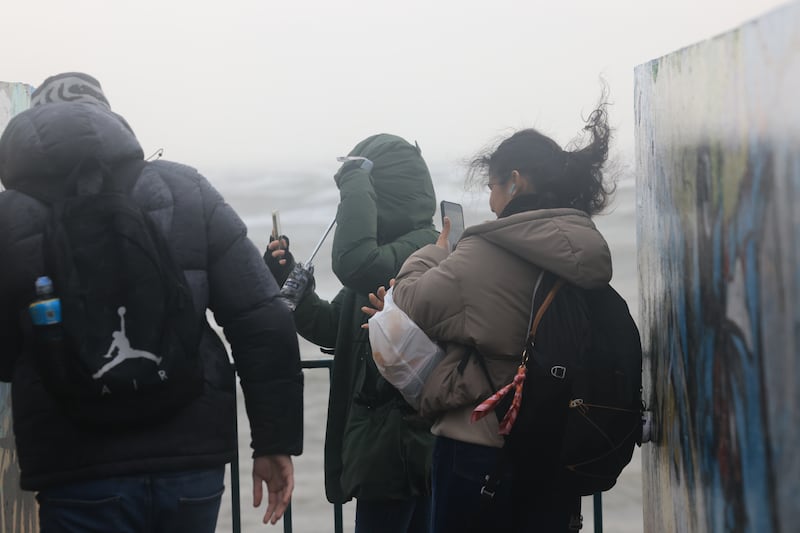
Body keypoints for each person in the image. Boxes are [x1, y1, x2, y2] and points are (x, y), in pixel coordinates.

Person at [0, 72, 303, 532]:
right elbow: (263, 318)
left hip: (76, 466)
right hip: (189, 463)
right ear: (109, 117)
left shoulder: (9, 215)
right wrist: (273, 440)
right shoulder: (186, 189)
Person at [369, 98, 616, 532]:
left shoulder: (486, 251)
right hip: (555, 449)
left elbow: (407, 302)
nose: (491, 198)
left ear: (515, 182)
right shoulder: (585, 248)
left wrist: (434, 252)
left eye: (492, 186)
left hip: (481, 453)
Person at [264, 134, 436, 533]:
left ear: (383, 191)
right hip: (384, 445)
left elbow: (354, 261)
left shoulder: (421, 247)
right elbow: (328, 324)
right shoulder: (386, 255)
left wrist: (355, 182)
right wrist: (286, 276)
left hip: (401, 446)